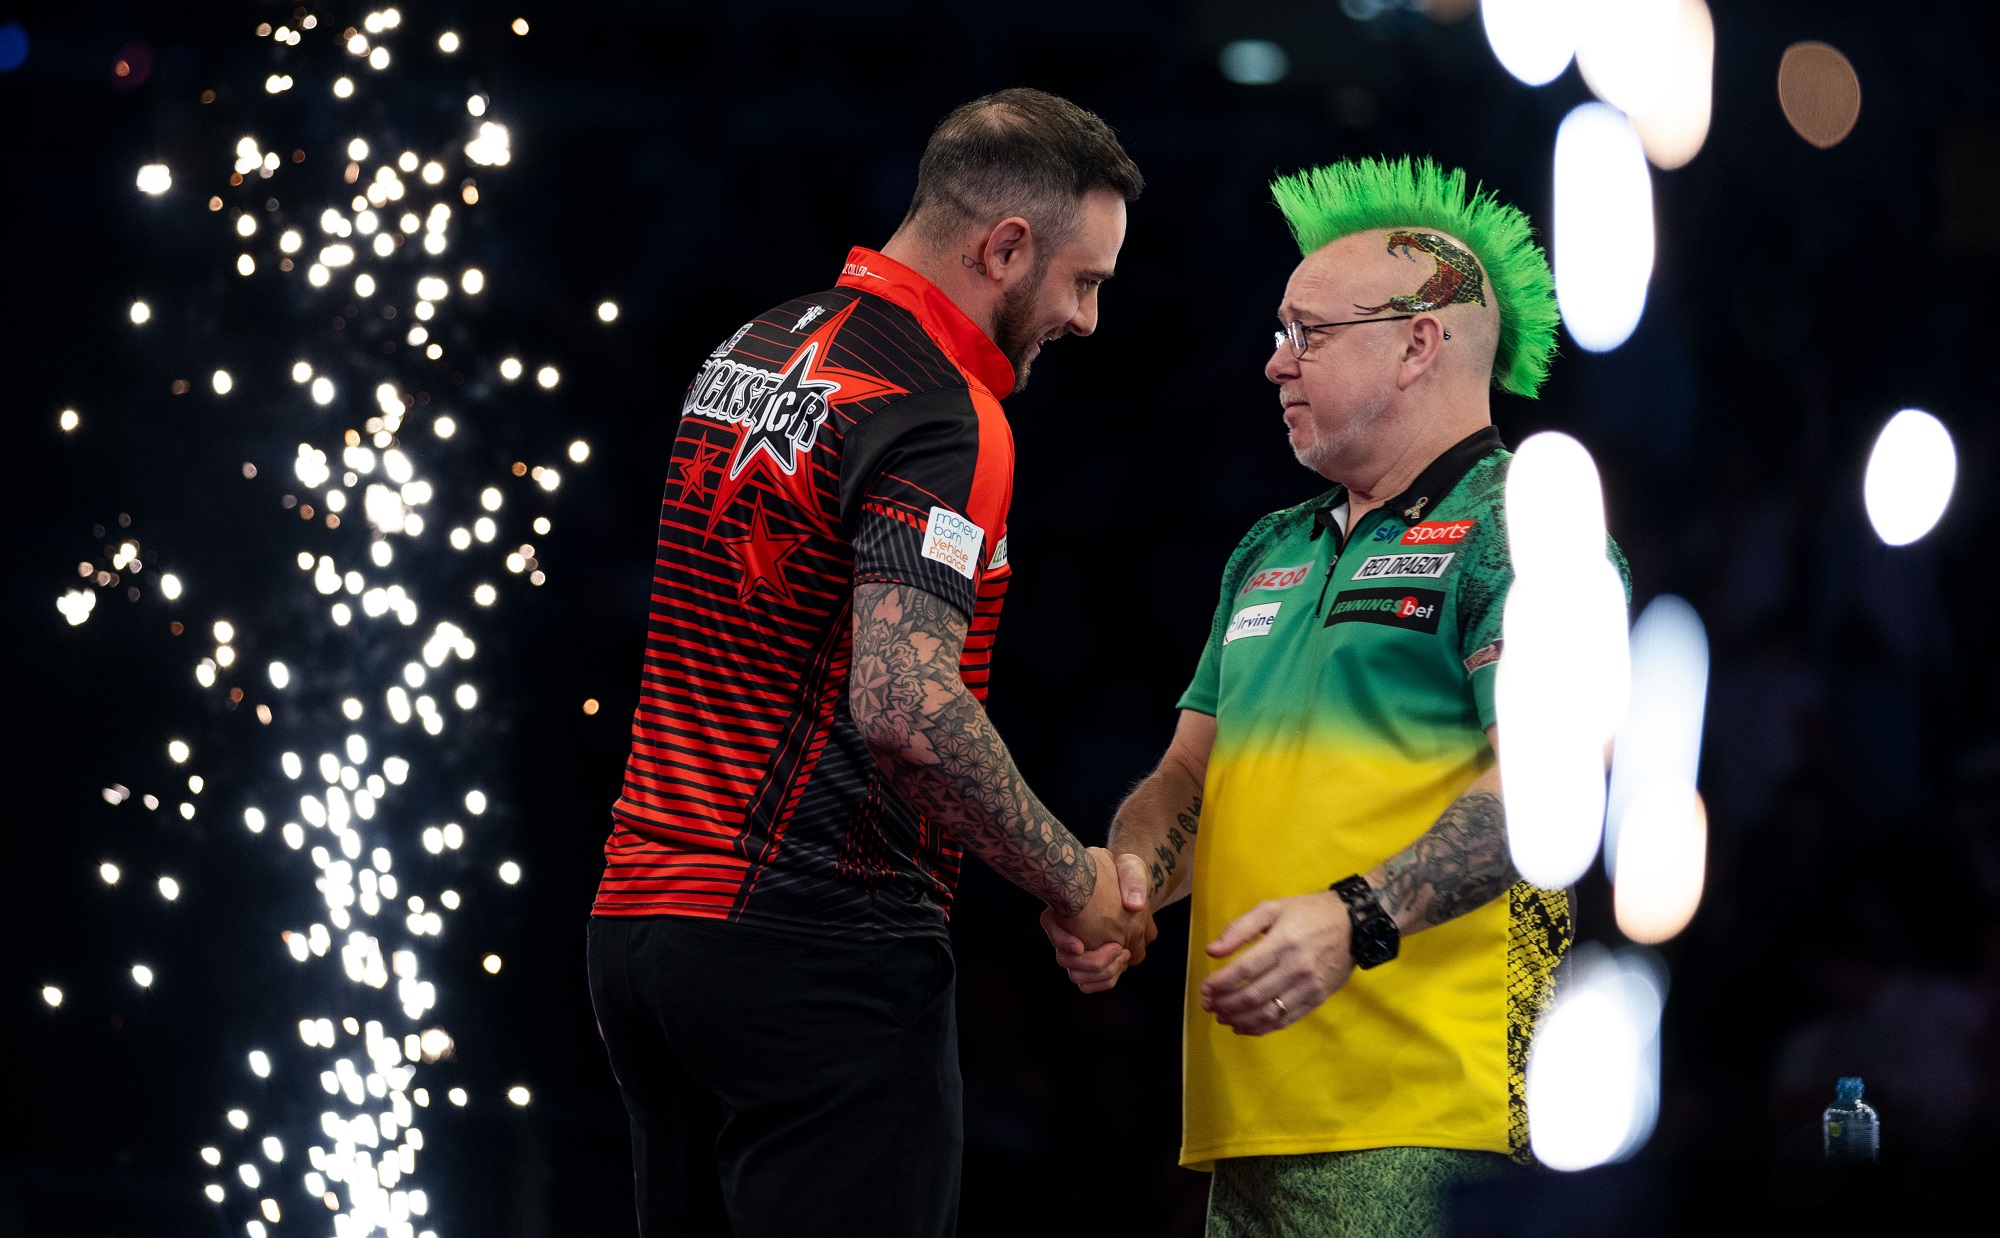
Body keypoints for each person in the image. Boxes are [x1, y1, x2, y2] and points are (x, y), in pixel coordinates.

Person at [586, 88, 1153, 1238]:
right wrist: (1076, 879)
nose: (1088, 318)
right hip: (812, 952)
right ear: (1004, 247)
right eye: (1082, 280)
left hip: (640, 938)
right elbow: (902, 704)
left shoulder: (750, 346)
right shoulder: (947, 412)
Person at [1047, 156, 1626, 1235]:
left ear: (1417, 342)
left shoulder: (1526, 526)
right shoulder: (1268, 548)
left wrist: (1354, 917)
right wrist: (1126, 883)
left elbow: (1550, 794)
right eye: (1278, 331)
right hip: (1249, 1119)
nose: (1274, 363)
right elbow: (1187, 776)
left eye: (1308, 333)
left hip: (1436, 1119)